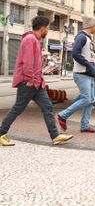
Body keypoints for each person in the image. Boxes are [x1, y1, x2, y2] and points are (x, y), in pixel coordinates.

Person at [0, 16, 73, 146]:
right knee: (18, 108)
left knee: (47, 107)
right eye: (48, 28)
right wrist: (29, 79)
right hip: (29, 82)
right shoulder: (30, 39)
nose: (48, 31)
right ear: (43, 28)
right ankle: (1, 133)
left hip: (37, 82)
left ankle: (55, 136)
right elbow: (27, 61)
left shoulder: (34, 40)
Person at [57, 16, 95, 133]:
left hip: (87, 74)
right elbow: (75, 53)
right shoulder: (81, 37)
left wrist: (92, 67)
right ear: (91, 25)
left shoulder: (87, 38)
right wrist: (89, 65)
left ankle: (85, 125)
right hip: (82, 73)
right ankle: (63, 115)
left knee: (90, 100)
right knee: (86, 99)